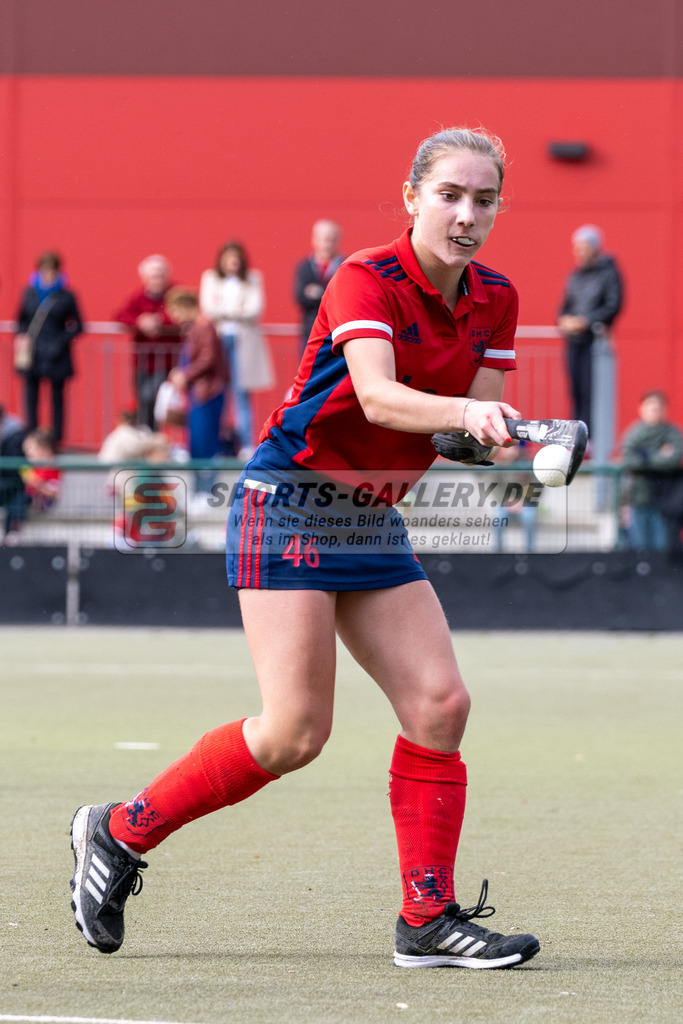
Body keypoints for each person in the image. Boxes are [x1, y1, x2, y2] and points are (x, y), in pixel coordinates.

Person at [69, 127, 540, 970]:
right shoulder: (365, 275)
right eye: (449, 196)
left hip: (371, 514)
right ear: (412, 198)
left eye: (483, 200)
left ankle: (426, 921)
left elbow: (464, 436)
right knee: (293, 733)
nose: (466, 215)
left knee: (440, 706)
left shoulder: (496, 297)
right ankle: (119, 830)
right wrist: (469, 413)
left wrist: (521, 444)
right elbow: (379, 397)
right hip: (288, 500)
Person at [199, 241, 273, 459]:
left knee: (241, 393)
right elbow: (208, 308)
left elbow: (255, 309)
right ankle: (218, 444)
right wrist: (236, 310)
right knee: (218, 393)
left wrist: (224, 310)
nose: (232, 262)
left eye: (236, 258)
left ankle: (246, 444)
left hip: (243, 340)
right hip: (219, 340)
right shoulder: (211, 278)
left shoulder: (252, 279)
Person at [557, 224, 623, 432]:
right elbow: (564, 306)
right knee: (576, 392)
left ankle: (591, 437)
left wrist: (586, 321)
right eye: (576, 248)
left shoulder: (609, 273)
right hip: (573, 342)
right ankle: (576, 435)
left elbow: (613, 305)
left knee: (592, 392)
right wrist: (564, 320)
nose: (578, 253)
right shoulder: (575, 275)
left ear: (594, 249)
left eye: (583, 248)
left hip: (594, 343)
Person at [14, 251, 84, 445]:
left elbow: (79, 325)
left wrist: (60, 341)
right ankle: (31, 438)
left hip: (57, 354)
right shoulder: (29, 293)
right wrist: (22, 337)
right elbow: (21, 320)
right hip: (34, 352)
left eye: (52, 270)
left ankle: (56, 440)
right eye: (44, 269)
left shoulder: (66, 296)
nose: (48, 274)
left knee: (57, 399)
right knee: (31, 397)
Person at [164, 287, 228, 496]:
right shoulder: (195, 328)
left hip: (207, 393)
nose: (174, 317)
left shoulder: (204, 326)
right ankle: (200, 490)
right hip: (199, 393)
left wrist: (185, 374)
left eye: (175, 311)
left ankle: (206, 491)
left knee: (204, 443)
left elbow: (208, 358)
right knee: (196, 443)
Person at [114, 255, 182, 430]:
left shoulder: (175, 293)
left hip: (166, 360)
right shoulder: (138, 296)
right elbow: (120, 316)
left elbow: (183, 315)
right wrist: (140, 321)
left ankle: (155, 434)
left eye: (159, 276)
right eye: (152, 277)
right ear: (145, 278)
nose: (156, 280)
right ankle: (147, 434)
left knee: (154, 397)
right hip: (142, 360)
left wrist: (160, 321)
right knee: (142, 399)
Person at [619, 390, 683, 551]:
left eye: (658, 407)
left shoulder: (672, 432)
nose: (654, 411)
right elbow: (629, 460)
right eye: (650, 406)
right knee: (639, 549)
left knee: (663, 548)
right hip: (638, 500)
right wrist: (658, 454)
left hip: (666, 502)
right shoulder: (634, 433)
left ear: (665, 409)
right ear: (641, 408)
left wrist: (645, 456)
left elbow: (673, 459)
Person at [293, 219, 346, 352]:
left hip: (338, 330)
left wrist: (317, 293)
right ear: (314, 240)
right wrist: (329, 294)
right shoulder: (304, 267)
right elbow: (300, 297)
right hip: (311, 331)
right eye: (325, 240)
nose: (327, 245)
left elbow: (346, 297)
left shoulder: (346, 266)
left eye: (331, 240)